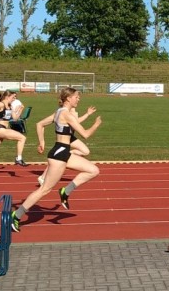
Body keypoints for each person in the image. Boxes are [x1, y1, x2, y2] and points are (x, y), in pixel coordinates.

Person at [11, 87, 102, 232]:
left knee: (93, 170)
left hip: (64, 152)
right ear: (68, 98)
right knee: (44, 190)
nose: (79, 99)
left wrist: (42, 142)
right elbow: (85, 134)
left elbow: (39, 124)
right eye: (77, 97)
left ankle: (65, 191)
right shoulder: (66, 114)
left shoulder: (58, 112)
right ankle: (16, 215)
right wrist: (96, 125)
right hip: (59, 155)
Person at [35, 103, 97, 186]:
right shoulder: (66, 111)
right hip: (66, 137)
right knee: (83, 152)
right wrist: (88, 116)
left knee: (85, 151)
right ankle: (43, 177)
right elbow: (76, 123)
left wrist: (87, 114)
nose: (78, 99)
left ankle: (66, 156)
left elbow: (75, 122)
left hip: (70, 136)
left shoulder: (72, 110)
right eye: (76, 97)